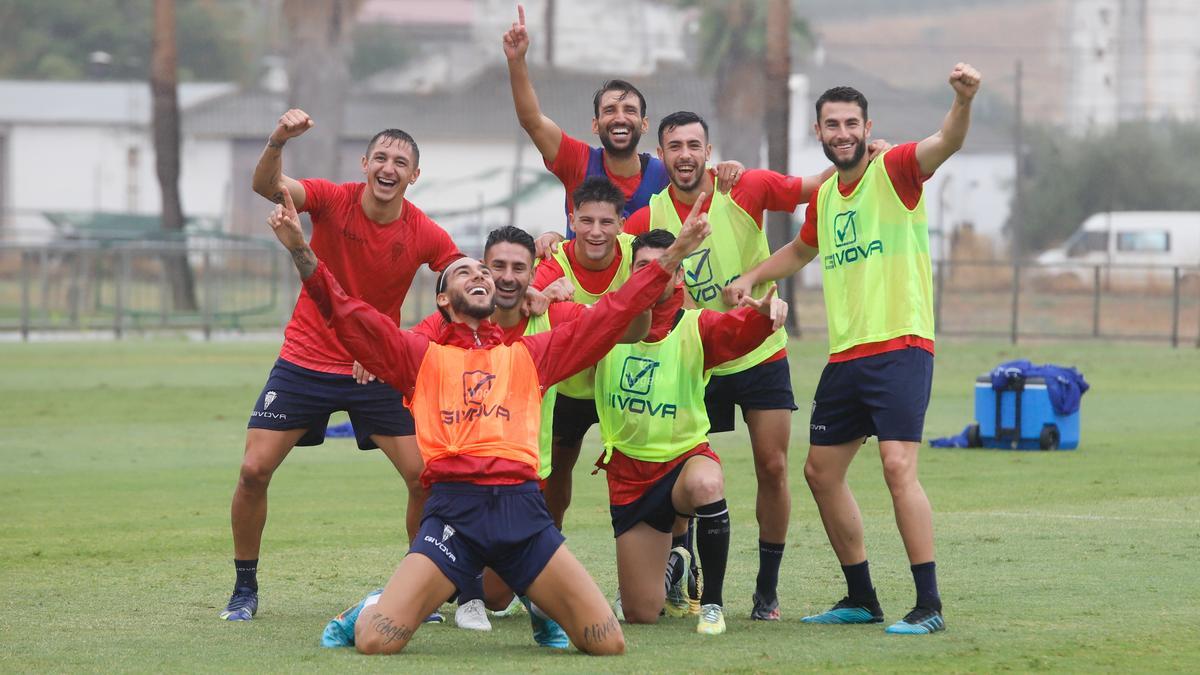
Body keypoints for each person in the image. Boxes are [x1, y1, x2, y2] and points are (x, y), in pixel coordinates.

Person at [265, 183, 712, 655]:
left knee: (607, 642)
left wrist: (676, 252)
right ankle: (374, 603)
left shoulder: (531, 355)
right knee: (378, 640)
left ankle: (540, 601)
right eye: (464, 272)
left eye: (484, 270)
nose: (479, 274)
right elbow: (343, 310)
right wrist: (299, 246)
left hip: (524, 514)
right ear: (443, 300)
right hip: (453, 516)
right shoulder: (419, 356)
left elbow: (613, 313)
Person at [725, 63, 983, 634]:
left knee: (897, 467)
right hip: (846, 357)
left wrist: (962, 101)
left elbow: (946, 143)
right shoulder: (826, 198)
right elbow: (798, 249)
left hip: (900, 346)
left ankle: (929, 605)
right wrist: (751, 277)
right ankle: (862, 597)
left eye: (851, 123)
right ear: (818, 133)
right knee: (820, 472)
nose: (842, 132)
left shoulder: (893, 169)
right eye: (831, 124)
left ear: (869, 126)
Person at [220, 109, 462, 622]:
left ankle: (420, 588)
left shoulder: (424, 232)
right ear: (365, 163)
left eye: (401, 161)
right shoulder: (333, 199)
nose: (389, 167)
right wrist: (277, 139)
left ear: (414, 176)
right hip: (305, 359)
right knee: (252, 470)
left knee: (425, 477)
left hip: (374, 369)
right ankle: (244, 588)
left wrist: (392, 346)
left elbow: (460, 284)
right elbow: (268, 186)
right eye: (381, 157)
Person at [623, 110, 835, 621]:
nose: (685, 155)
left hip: (758, 349)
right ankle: (684, 562)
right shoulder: (646, 218)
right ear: (662, 154)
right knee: (679, 467)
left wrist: (870, 156)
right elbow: (598, 249)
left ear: (709, 150)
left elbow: (817, 185)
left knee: (774, 465)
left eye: (694, 144)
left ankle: (766, 590)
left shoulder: (745, 187)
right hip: (694, 357)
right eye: (674, 146)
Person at [406, 225, 645, 637]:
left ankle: (521, 595)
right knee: (471, 574)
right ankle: (460, 595)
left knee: (503, 595)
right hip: (462, 483)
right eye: (496, 266)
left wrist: (645, 287)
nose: (507, 276)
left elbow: (625, 329)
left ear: (533, 274)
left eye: (520, 268)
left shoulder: (551, 315)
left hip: (526, 481)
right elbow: (408, 346)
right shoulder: (456, 314)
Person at [594, 229, 788, 636]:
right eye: (644, 267)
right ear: (630, 274)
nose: (654, 274)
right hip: (629, 478)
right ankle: (677, 559)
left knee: (706, 483)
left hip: (683, 464)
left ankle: (712, 603)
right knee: (640, 613)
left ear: (679, 277)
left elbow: (738, 330)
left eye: (664, 267)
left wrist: (765, 315)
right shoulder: (607, 321)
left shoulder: (695, 327)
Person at [502, 4, 742, 238]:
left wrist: (731, 169)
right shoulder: (578, 162)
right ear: (595, 125)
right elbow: (532, 120)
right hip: (582, 279)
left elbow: (710, 182)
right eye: (609, 110)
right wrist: (516, 60)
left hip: (650, 278)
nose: (619, 118)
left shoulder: (666, 172)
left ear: (644, 124)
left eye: (629, 110)